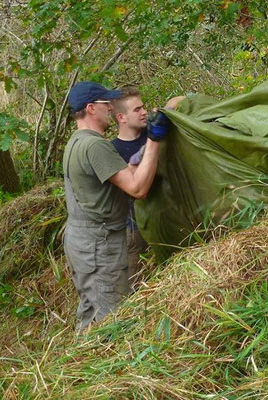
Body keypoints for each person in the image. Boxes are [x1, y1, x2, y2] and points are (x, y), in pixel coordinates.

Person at [62, 81, 170, 332]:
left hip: (83, 241)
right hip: (99, 246)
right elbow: (137, 189)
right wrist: (154, 140)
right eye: (105, 103)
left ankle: (81, 362)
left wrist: (140, 157)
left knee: (92, 311)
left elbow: (121, 174)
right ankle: (100, 366)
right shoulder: (95, 145)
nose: (110, 108)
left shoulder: (77, 142)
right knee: (111, 319)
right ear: (91, 108)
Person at [110, 87, 150, 287]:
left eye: (143, 107)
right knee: (139, 286)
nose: (144, 112)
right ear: (121, 117)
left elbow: (178, 101)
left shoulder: (153, 132)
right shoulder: (111, 151)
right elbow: (133, 187)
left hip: (167, 217)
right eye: (137, 109)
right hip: (135, 230)